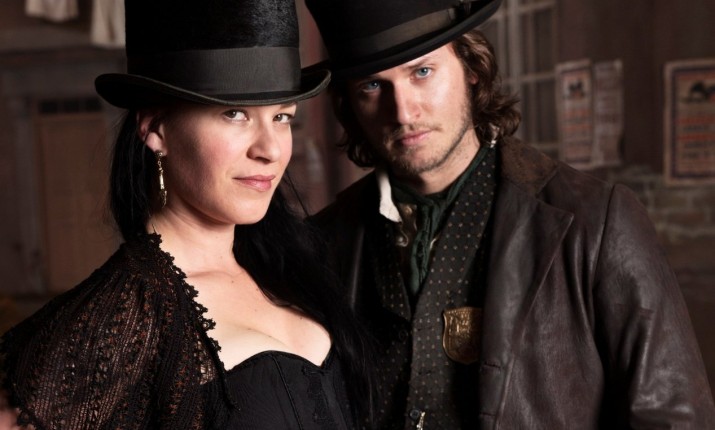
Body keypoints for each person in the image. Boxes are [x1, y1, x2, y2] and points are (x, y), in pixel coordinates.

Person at [305, 0, 715, 428]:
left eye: (422, 72)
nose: (403, 112)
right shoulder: (322, 243)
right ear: (349, 104)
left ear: (471, 69)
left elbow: (674, 417)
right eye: (372, 86)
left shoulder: (596, 221)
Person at [0, 0, 372, 428]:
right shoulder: (127, 309)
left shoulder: (287, 266)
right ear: (155, 128)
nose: (270, 149)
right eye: (235, 114)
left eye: (282, 116)